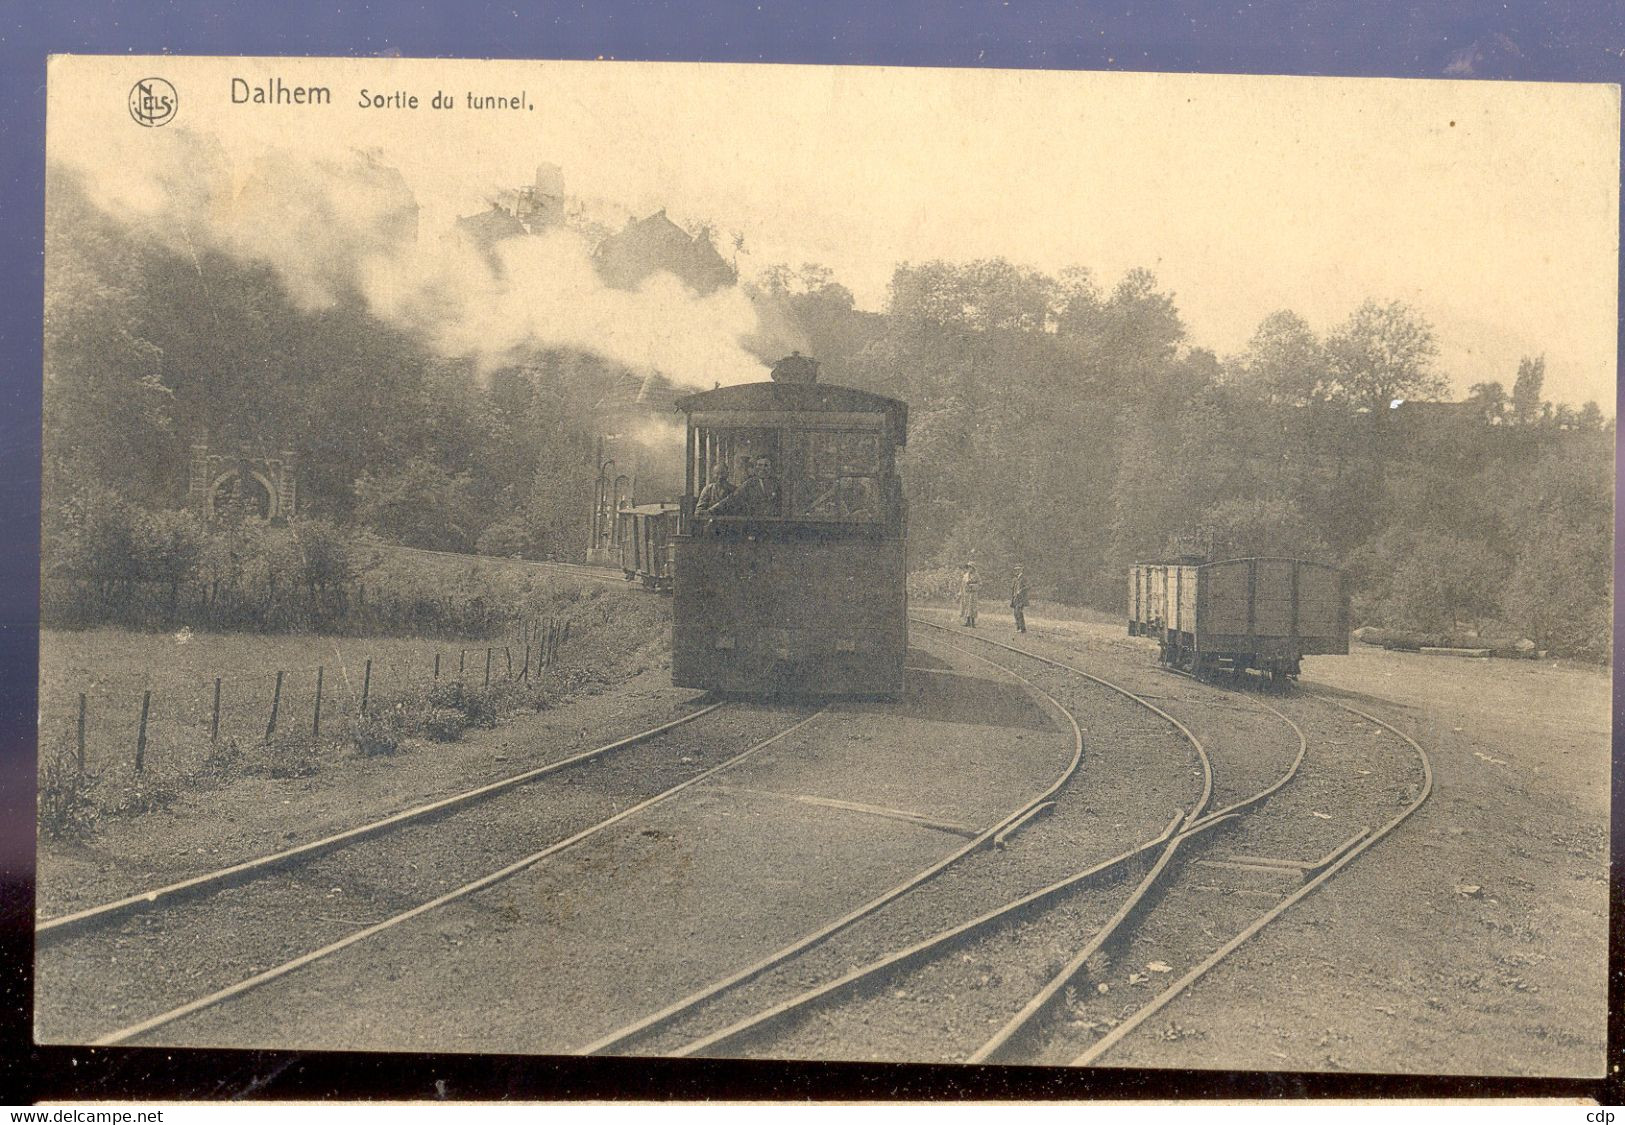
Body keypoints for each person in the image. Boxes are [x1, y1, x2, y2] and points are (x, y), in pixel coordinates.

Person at [710, 455, 782, 518]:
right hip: (755, 524)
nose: (762, 468)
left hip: (774, 522)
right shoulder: (749, 483)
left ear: (771, 468)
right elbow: (732, 498)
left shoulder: (777, 484)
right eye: (759, 465)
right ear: (755, 467)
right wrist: (711, 510)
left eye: (766, 465)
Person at [958, 561, 981, 627]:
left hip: (973, 594)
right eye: (968, 567)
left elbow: (980, 584)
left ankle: (973, 623)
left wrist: (972, 585)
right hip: (966, 594)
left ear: (973, 568)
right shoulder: (965, 575)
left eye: (970, 567)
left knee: (973, 608)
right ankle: (967, 622)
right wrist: (960, 592)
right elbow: (962, 585)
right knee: (967, 607)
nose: (969, 569)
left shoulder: (976, 575)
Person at [1010, 565, 1029, 633]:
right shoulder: (1016, 579)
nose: (1016, 572)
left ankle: (1022, 629)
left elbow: (1027, 587)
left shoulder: (1023, 578)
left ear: (1020, 570)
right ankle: (1018, 628)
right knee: (1016, 613)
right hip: (1015, 598)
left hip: (1021, 598)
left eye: (1017, 570)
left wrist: (1020, 591)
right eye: (1015, 570)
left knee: (1019, 612)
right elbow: (1013, 588)